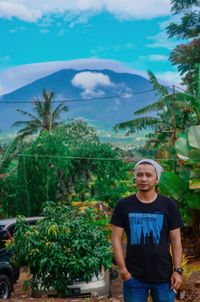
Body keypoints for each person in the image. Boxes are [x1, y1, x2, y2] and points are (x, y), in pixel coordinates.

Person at [111, 159, 183, 302]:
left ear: (157, 179)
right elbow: (115, 239)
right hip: (134, 276)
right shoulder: (123, 205)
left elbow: (176, 240)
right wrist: (124, 272)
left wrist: (177, 270)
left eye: (149, 175)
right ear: (135, 177)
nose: (143, 179)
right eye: (139, 175)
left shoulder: (169, 205)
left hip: (164, 277)